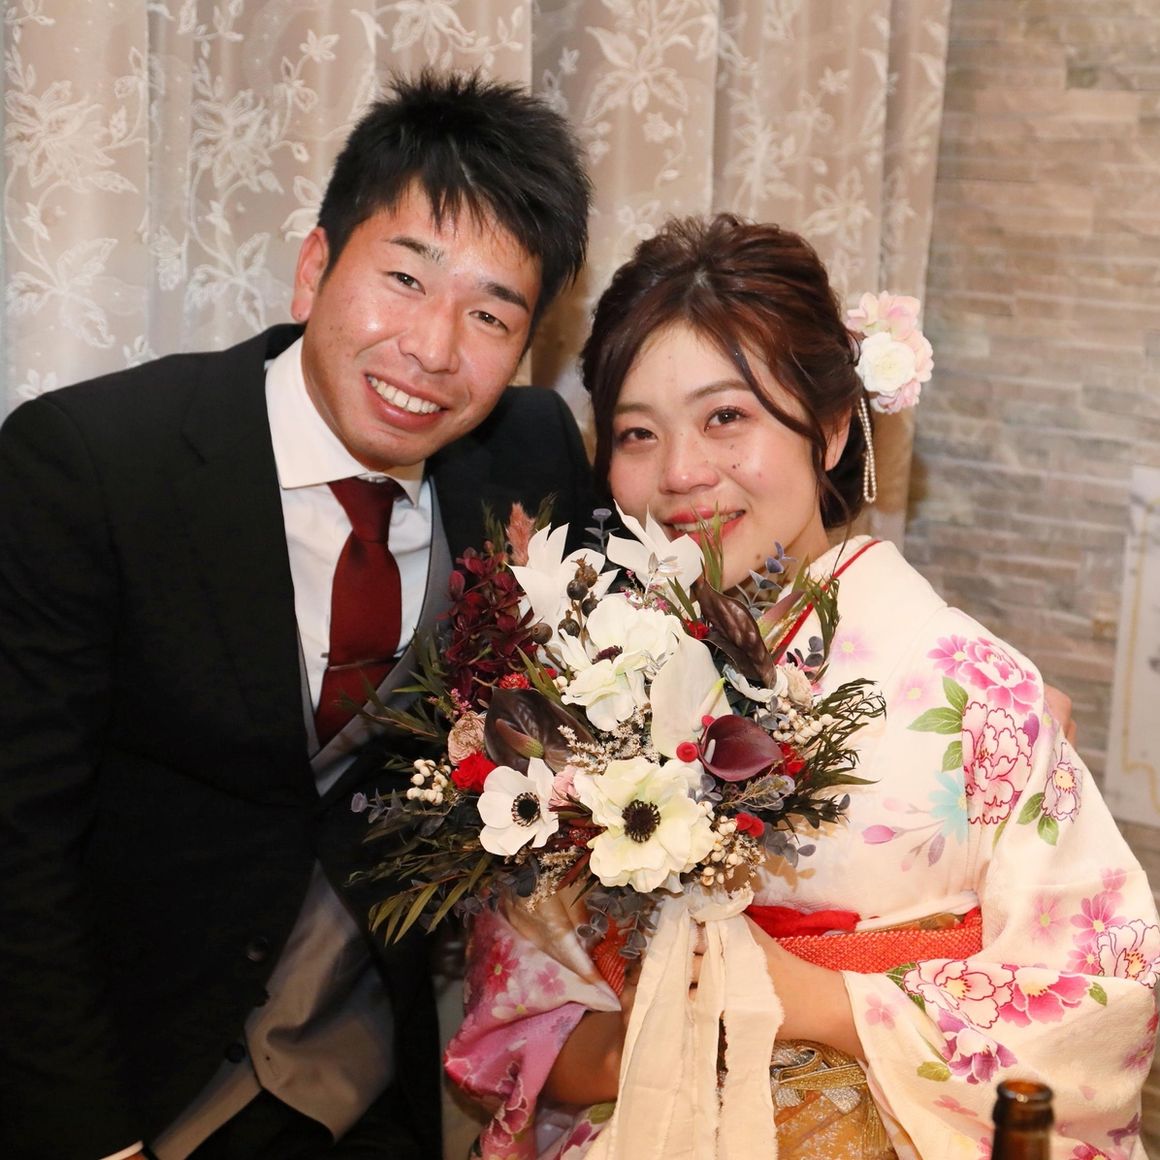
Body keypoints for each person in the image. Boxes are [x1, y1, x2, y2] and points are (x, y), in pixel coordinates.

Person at [444, 214, 1160, 1158]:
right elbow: (519, 1033)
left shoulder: (974, 687)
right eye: (637, 433)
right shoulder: (586, 685)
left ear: (828, 431)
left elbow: (1101, 997)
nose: (681, 474)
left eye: (726, 418)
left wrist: (805, 999)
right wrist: (671, 1026)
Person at [0, 70, 594, 1160]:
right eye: (405, 278)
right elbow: (18, 836)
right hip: (123, 1071)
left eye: (489, 314)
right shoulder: (95, 466)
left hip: (368, 1071)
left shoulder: (529, 458)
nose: (432, 348)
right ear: (313, 268)